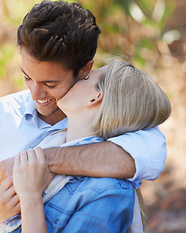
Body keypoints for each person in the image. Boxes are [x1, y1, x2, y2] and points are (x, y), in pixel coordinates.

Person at [0, 1, 167, 233]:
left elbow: (150, 157)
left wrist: (37, 164)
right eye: (27, 77)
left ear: (85, 70)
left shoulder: (121, 130)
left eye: (49, 84)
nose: (35, 94)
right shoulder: (0, 115)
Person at [10, 61, 171, 232]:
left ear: (95, 97)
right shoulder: (45, 142)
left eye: (86, 77)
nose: (75, 79)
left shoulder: (109, 194)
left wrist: (30, 198)